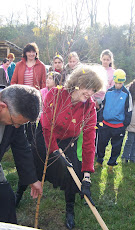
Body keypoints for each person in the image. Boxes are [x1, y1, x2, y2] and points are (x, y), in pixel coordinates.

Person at [32, 65, 105, 229]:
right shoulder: (55, 94)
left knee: (74, 175)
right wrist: (55, 151)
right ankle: (19, 192)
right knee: (35, 165)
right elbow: (46, 126)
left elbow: (88, 141)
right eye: (87, 87)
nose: (90, 93)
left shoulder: (89, 107)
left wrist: (87, 176)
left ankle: (70, 209)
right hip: (46, 136)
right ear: (77, 82)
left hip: (67, 140)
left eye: (93, 90)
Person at [0, 84, 43, 224]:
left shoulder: (15, 117)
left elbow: (21, 147)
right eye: (14, 122)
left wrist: (32, 179)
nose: (16, 127)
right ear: (2, 107)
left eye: (20, 124)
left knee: (6, 200)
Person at [95, 69, 132, 171]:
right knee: (101, 143)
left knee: (116, 146)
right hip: (106, 124)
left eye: (120, 83)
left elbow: (129, 110)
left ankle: (111, 163)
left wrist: (125, 124)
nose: (117, 85)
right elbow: (103, 105)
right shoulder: (109, 91)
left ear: (123, 82)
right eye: (116, 82)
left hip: (119, 126)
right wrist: (101, 119)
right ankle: (99, 160)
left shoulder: (126, 94)